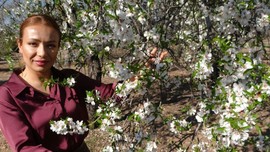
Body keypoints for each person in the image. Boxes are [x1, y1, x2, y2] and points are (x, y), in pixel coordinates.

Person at [0, 14, 167, 152]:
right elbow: (25, 147)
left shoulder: (70, 79)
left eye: (51, 45)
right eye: (33, 44)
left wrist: (141, 75)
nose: (42, 53)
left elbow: (110, 94)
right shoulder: (8, 95)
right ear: (20, 45)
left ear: (58, 47)